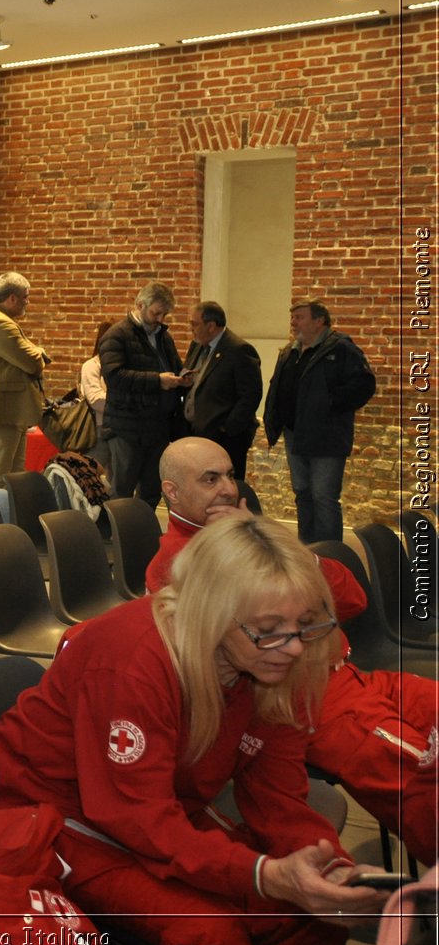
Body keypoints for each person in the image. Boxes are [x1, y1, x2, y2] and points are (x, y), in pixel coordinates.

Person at [0, 513, 389, 945]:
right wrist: (263, 874)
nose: (293, 646)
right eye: (269, 631)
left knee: (303, 916)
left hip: (157, 805)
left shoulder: (270, 660)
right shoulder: (133, 662)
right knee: (210, 932)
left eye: (305, 624)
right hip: (57, 819)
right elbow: (135, 816)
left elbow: (279, 800)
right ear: (212, 616)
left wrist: (331, 873)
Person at [147, 436, 438, 867]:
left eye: (229, 475)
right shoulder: (176, 564)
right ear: (173, 492)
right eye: (210, 479)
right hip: (304, 703)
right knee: (420, 780)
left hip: (351, 677)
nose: (228, 489)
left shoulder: (254, 536)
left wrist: (264, 538)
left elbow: (351, 598)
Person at [262, 301, 376, 543]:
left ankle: (330, 554)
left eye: (299, 317)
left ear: (319, 321)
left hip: (327, 437)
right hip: (295, 435)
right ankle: (308, 548)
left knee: (323, 496)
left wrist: (329, 401)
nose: (293, 323)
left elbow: (364, 385)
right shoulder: (289, 352)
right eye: (292, 318)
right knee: (302, 493)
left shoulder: (341, 349)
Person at [99, 281, 183, 507]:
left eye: (165, 314)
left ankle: (142, 535)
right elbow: (115, 377)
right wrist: (157, 381)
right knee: (123, 489)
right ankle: (117, 538)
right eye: (156, 313)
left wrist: (182, 378)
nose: (160, 320)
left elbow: (173, 366)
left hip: (157, 426)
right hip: (127, 426)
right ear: (140, 305)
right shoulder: (116, 335)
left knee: (152, 488)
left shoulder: (163, 337)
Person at [0, 271, 48, 489]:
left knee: (12, 479)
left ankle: (8, 521)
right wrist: (39, 352)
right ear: (12, 298)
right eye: (25, 297)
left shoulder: (0, 321)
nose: (27, 302)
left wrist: (35, 352)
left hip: (7, 413)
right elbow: (32, 362)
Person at [181, 300, 263, 480]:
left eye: (194, 324)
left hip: (224, 438)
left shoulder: (239, 350)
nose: (191, 329)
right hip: (196, 434)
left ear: (211, 326)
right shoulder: (197, 346)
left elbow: (250, 395)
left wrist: (227, 429)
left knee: (223, 489)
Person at [77, 319, 114, 468]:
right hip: (100, 428)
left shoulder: (122, 365)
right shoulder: (92, 366)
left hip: (120, 428)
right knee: (92, 473)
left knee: (116, 479)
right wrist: (125, 403)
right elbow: (95, 399)